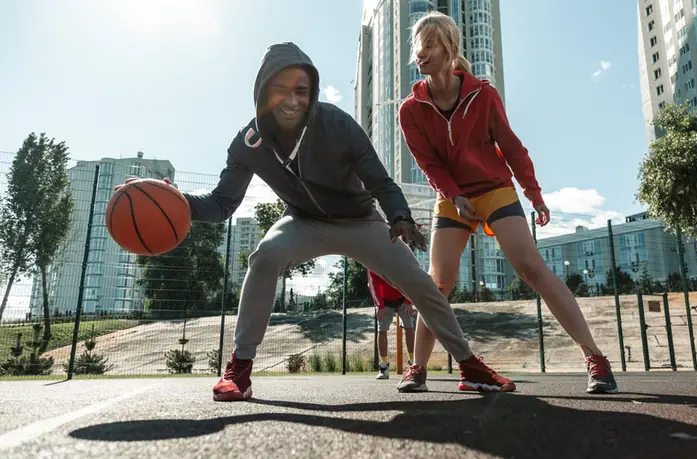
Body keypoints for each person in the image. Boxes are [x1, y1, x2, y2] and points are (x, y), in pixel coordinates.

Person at [116, 42, 516, 401]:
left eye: (301, 91)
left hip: (360, 220)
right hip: (303, 221)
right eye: (281, 90)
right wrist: (174, 200)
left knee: (421, 285)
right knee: (264, 256)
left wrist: (398, 215)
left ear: (312, 94)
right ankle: (241, 368)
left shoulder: (337, 124)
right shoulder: (248, 142)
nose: (292, 100)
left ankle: (469, 366)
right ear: (262, 93)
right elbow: (221, 204)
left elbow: (380, 180)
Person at [397, 12, 618, 394]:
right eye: (418, 46)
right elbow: (428, 163)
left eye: (430, 45)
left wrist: (533, 193)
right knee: (438, 283)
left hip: (494, 187)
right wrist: (455, 195)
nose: (421, 53)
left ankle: (595, 358)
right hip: (452, 197)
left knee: (531, 267)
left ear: (449, 48)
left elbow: (511, 147)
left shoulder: (483, 95)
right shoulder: (410, 109)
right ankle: (417, 368)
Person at [368, 269, 416, 379]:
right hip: (384, 302)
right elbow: (372, 284)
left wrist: (408, 301)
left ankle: (413, 363)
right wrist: (380, 306)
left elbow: (409, 279)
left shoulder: (400, 256)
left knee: (409, 327)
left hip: (403, 299)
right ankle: (384, 366)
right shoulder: (373, 262)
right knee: (382, 330)